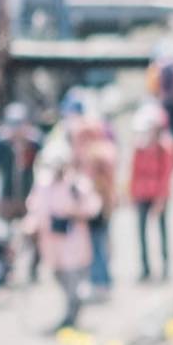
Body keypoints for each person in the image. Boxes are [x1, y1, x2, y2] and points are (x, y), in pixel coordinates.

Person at [23, 148, 101, 333]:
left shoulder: (77, 185)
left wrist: (73, 213)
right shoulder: (43, 185)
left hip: (73, 242)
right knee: (60, 277)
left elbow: (92, 207)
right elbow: (36, 209)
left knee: (73, 279)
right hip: (51, 243)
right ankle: (70, 312)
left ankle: (71, 316)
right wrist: (29, 227)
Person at [71, 114, 119, 300]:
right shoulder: (102, 151)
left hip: (98, 207)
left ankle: (101, 283)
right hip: (99, 206)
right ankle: (101, 281)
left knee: (97, 246)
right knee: (99, 244)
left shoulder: (96, 154)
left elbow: (101, 184)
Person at [128, 101, 173, 282]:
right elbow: (134, 172)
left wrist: (161, 198)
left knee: (162, 231)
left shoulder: (165, 147)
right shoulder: (139, 147)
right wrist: (132, 194)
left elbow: (166, 175)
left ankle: (165, 266)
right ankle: (145, 268)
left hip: (158, 195)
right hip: (142, 195)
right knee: (141, 232)